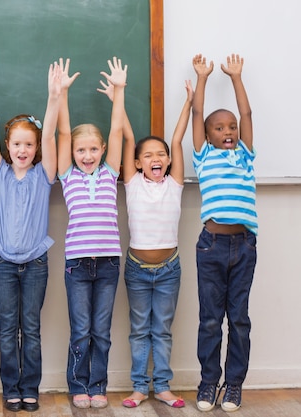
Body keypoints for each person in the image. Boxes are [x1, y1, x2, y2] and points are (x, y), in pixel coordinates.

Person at [0, 55, 63, 413]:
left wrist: (53, 97)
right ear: (7, 148)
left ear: (36, 148)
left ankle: (31, 389)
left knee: (32, 329)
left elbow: (52, 132)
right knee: (8, 329)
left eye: (29, 145)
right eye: (16, 145)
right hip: (4, 263)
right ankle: (11, 388)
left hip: (36, 263)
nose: (22, 150)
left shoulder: (44, 175)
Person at [115, 79, 193, 409]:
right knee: (138, 330)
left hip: (168, 269)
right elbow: (127, 137)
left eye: (160, 154)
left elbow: (176, 139)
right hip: (136, 268)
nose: (156, 158)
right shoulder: (132, 184)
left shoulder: (174, 184)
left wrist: (189, 100)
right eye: (147, 155)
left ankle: (162, 386)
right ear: (135, 164)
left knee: (161, 330)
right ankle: (138, 388)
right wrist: (119, 94)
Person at [56, 57, 127, 409]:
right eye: (81, 150)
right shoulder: (67, 176)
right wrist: (63, 94)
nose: (87, 155)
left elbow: (116, 132)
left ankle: (99, 385)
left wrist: (121, 92)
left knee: (102, 332)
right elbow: (63, 133)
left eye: (93, 149)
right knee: (81, 331)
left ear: (102, 151)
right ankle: (78, 385)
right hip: (78, 265)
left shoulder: (109, 173)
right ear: (72, 153)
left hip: (110, 262)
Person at [191, 53, 257, 413]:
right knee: (211, 319)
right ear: (208, 135)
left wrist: (236, 77)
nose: (228, 131)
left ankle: (233, 386)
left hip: (244, 245)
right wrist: (202, 78)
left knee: (240, 319)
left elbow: (247, 115)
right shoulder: (203, 156)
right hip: (212, 246)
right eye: (220, 128)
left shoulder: (246, 154)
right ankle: (207, 383)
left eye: (230, 127)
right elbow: (197, 116)